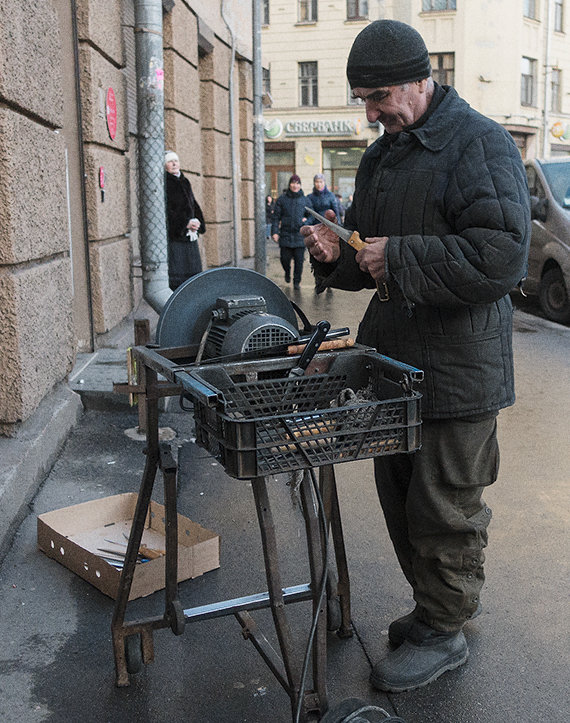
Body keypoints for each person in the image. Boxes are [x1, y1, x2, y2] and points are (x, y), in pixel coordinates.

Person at [301, 20, 530, 694]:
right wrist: (338, 257)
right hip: (394, 362)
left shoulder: (480, 143)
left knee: (445, 506)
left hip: (459, 370)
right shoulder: (384, 154)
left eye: (378, 96)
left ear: (418, 79)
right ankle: (436, 609)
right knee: (401, 497)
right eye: (364, 100)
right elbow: (368, 254)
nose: (371, 113)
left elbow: (501, 256)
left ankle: (446, 627)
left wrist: (397, 255)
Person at [164, 150, 206, 291]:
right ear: (165, 165)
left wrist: (198, 222)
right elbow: (166, 210)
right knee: (179, 273)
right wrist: (184, 223)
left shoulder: (184, 180)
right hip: (176, 235)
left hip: (189, 233)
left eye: (176, 160)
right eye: (170, 161)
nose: (174, 164)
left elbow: (193, 204)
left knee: (193, 272)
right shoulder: (165, 182)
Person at [271, 174, 313, 289]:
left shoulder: (305, 200)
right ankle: (287, 272)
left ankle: (296, 282)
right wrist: (274, 232)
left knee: (299, 262)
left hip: (300, 236)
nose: (295, 185)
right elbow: (276, 218)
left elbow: (311, 216)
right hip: (285, 235)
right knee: (284, 259)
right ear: (289, 184)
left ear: (300, 185)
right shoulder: (282, 199)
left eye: (298, 183)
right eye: (293, 183)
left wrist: (306, 221)